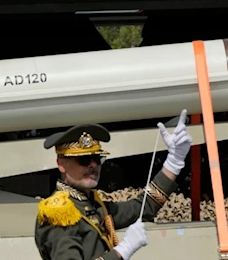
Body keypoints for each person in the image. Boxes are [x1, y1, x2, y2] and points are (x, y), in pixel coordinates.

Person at [34, 109, 192, 260]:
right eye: (84, 160)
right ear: (61, 164)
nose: (93, 166)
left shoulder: (92, 204)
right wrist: (122, 251)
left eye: (97, 159)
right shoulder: (58, 214)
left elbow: (144, 206)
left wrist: (174, 162)